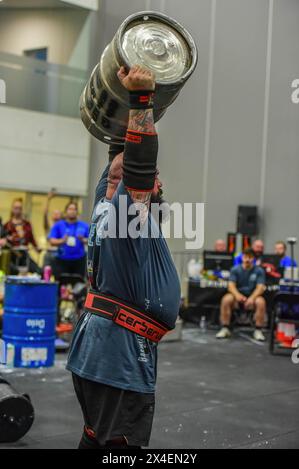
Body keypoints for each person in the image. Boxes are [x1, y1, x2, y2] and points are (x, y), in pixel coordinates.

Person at [66, 65, 181, 449]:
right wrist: (143, 97)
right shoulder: (123, 216)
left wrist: (121, 95)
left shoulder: (104, 203)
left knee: (98, 439)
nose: (155, 179)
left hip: (100, 351)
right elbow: (138, 163)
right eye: (149, 176)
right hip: (120, 357)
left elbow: (124, 153)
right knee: (120, 448)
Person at [216, 248, 266, 341]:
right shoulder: (235, 269)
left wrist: (251, 298)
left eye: (250, 257)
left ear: (253, 259)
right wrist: (238, 295)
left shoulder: (259, 271)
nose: (247, 259)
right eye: (246, 257)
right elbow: (231, 286)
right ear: (242, 257)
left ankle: (258, 330)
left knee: (261, 302)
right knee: (226, 299)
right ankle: (225, 328)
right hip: (237, 296)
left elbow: (260, 287)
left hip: (252, 296)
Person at [48, 202, 89, 280]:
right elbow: (51, 241)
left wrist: (83, 240)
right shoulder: (58, 225)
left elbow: (92, 241)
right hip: (61, 260)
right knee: (61, 286)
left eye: (74, 209)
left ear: (77, 212)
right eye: (70, 209)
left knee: (78, 287)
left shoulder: (84, 225)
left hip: (79, 260)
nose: (72, 211)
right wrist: (62, 241)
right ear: (65, 212)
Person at [4, 198, 41, 274]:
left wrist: (36, 248)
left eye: (20, 208)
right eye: (15, 208)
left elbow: (31, 238)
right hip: (13, 255)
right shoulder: (7, 225)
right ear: (12, 209)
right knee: (13, 272)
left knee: (39, 271)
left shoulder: (27, 224)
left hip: (24, 255)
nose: (17, 210)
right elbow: (4, 242)